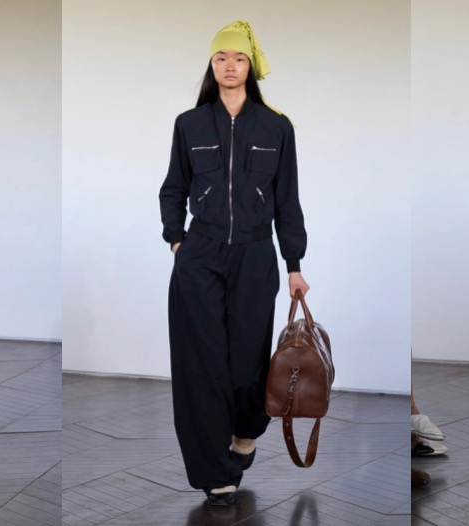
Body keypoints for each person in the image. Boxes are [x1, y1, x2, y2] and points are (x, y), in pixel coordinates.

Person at [159, 20, 309, 507]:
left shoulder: (276, 126)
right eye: (221, 58)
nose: (229, 66)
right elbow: (173, 188)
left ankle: (245, 430)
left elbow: (287, 200)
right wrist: (177, 241)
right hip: (200, 255)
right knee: (201, 365)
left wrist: (294, 263)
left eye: (238, 58)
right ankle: (214, 472)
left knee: (247, 362)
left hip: (255, 254)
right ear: (211, 64)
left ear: (251, 66)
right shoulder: (189, 123)